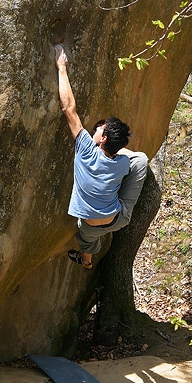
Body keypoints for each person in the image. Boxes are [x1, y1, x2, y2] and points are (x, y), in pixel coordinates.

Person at [55, 44, 148, 269]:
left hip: (90, 225)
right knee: (142, 159)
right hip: (118, 219)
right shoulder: (123, 162)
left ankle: (86, 263)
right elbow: (127, 158)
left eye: (99, 129)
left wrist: (61, 67)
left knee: (87, 239)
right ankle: (86, 260)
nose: (94, 129)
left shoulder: (86, 150)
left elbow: (69, 109)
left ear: (103, 138)